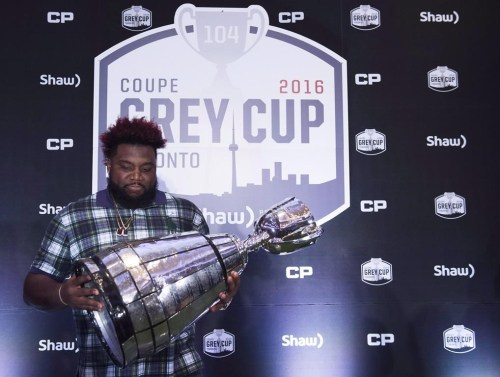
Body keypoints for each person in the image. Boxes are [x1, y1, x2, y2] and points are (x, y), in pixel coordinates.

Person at [23, 116, 240, 376]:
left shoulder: (185, 215)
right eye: (126, 166)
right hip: (102, 370)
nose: (137, 176)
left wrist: (220, 294)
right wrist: (63, 294)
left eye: (146, 168)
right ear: (108, 165)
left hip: (175, 369)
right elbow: (33, 287)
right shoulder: (73, 218)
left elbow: (208, 284)